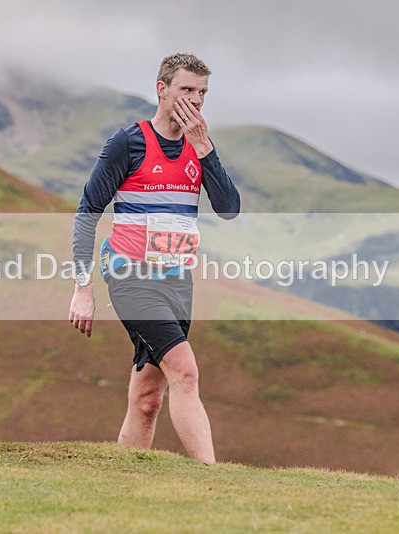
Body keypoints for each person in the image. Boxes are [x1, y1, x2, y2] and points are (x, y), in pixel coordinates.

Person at [69, 53, 240, 463]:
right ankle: (215, 483)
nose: (196, 101)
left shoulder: (200, 151)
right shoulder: (128, 143)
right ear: (161, 90)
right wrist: (82, 286)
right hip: (130, 274)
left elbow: (230, 208)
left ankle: (126, 478)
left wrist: (204, 147)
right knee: (185, 372)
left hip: (177, 281)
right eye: (187, 90)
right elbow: (87, 213)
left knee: (149, 397)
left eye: (202, 93)